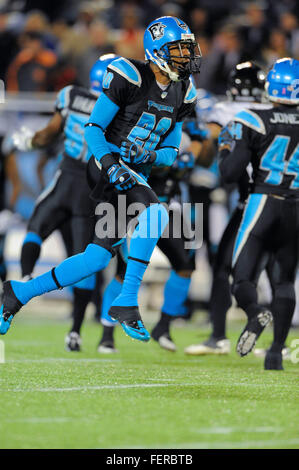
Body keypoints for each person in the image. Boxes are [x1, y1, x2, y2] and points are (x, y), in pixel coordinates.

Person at [0, 16, 201, 343]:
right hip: (105, 164)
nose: (186, 56)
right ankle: (127, 300)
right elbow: (94, 128)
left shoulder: (184, 91)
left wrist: (148, 156)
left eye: (187, 49)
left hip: (135, 170)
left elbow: (170, 150)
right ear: (157, 51)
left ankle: (19, 293)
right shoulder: (131, 76)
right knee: (156, 212)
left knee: (95, 258)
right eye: (178, 49)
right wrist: (111, 164)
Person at [10, 54, 119, 351]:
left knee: (35, 227)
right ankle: (75, 331)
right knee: (85, 259)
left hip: (65, 179)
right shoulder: (120, 108)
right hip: (92, 188)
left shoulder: (71, 95)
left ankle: (26, 280)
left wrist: (29, 141)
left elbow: (48, 133)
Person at [185, 61, 273, 356]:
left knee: (223, 266)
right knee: (277, 270)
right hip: (284, 200)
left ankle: (219, 334)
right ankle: (279, 343)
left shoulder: (223, 111)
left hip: (251, 200)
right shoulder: (273, 110)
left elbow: (209, 144)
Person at [218, 58, 299, 370]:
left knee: (241, 278)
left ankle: (255, 313)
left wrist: (225, 147)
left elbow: (229, 172)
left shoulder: (253, 118)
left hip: (263, 201)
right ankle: (276, 352)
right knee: (284, 281)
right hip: (295, 207)